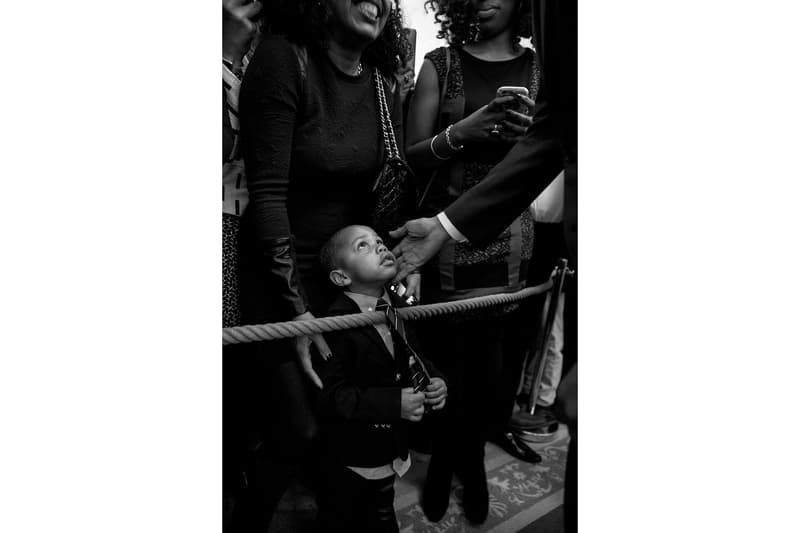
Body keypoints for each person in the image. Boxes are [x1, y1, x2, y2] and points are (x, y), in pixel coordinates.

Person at [234, 1, 416, 530]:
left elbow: (384, 187)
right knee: (300, 428)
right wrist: (298, 316)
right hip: (278, 277)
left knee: (346, 415)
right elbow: (268, 195)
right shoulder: (284, 57)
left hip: (346, 279)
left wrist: (385, 273)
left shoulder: (381, 80)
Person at [402, 0, 542, 524]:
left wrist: (527, 137)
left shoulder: (541, 69)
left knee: (490, 366)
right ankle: (443, 461)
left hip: (511, 237)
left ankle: (473, 460)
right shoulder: (440, 63)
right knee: (447, 361)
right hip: (444, 237)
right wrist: (462, 132)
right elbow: (410, 157)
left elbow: (554, 149)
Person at [313, 225, 447, 532]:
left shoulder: (397, 304)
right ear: (341, 277)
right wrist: (392, 403)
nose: (380, 247)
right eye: (362, 245)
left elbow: (414, 354)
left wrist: (434, 379)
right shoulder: (335, 324)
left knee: (381, 505)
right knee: (339, 515)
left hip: (391, 445)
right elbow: (330, 397)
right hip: (352, 454)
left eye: (379, 241)